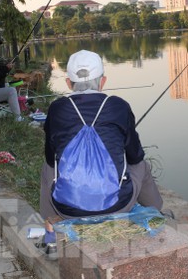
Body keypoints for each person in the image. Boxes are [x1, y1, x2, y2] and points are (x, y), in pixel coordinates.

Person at [38, 50, 163, 251]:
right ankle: (155, 212)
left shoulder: (57, 109)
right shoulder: (118, 106)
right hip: (118, 205)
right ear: (102, 81)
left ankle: (51, 224)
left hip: (69, 209)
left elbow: (50, 158)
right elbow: (135, 155)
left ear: (69, 83)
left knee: (48, 167)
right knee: (141, 165)